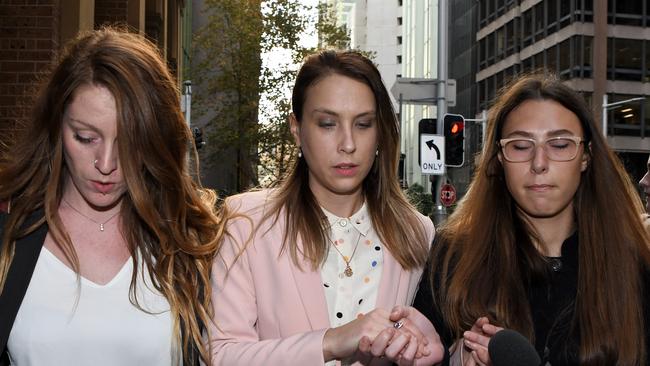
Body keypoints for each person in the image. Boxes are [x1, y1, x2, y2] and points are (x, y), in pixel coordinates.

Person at [0, 28, 222, 365]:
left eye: (128, 143)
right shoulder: (8, 237)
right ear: (56, 127)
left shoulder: (192, 243)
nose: (106, 165)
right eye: (85, 137)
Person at [208, 50, 444, 365]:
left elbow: (426, 347)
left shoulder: (417, 232)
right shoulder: (246, 223)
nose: (348, 143)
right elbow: (222, 355)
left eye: (363, 124)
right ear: (296, 128)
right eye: (328, 123)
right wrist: (330, 341)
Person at [413, 74, 650, 365]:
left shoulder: (633, 263)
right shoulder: (453, 257)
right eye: (521, 146)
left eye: (560, 145)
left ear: (585, 157)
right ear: (499, 159)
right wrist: (457, 359)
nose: (539, 163)